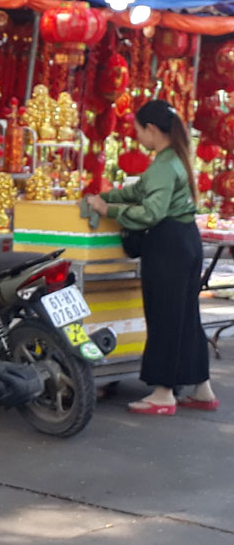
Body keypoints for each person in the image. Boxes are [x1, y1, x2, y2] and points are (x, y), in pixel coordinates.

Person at [86, 99, 217, 415]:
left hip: (168, 245)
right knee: (186, 317)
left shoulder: (162, 165)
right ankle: (202, 388)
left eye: (139, 130)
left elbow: (150, 212)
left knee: (164, 317)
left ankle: (162, 393)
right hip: (187, 241)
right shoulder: (176, 159)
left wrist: (108, 210)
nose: (137, 137)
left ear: (153, 129)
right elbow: (138, 191)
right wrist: (105, 196)